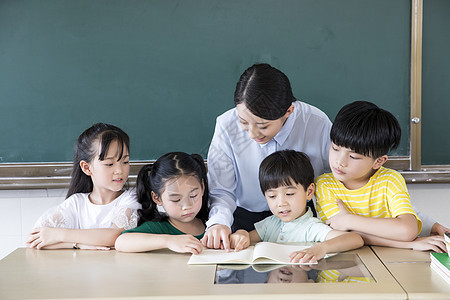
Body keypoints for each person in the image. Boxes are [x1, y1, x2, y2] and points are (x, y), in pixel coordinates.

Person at [202, 63, 332, 250]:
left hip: (302, 220)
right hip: (245, 222)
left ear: (288, 111)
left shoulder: (316, 123)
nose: (252, 134)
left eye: (263, 126)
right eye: (244, 122)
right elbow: (222, 189)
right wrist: (218, 222)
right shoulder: (226, 125)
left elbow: (331, 176)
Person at [315, 101, 448, 252]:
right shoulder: (325, 185)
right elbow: (346, 235)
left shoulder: (390, 180)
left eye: (353, 157)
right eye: (335, 148)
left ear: (378, 161)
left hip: (392, 259)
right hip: (348, 263)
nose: (339, 162)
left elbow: (406, 230)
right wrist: (408, 244)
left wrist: (349, 220)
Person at [231, 150, 364, 264]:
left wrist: (320, 248)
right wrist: (241, 234)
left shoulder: (311, 227)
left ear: (309, 192)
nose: (281, 203)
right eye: (272, 196)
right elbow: (247, 237)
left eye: (289, 194)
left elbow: (355, 239)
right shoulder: (271, 223)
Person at [26, 123, 140, 250]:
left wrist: (58, 235)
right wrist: (78, 245)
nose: (119, 170)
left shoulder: (131, 198)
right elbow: (34, 240)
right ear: (87, 168)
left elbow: (114, 236)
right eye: (109, 164)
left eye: (125, 162)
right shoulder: (76, 203)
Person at [115, 152, 247, 254]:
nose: (187, 206)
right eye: (176, 200)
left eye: (193, 195)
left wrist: (242, 234)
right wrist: (169, 241)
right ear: (157, 198)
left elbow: (237, 235)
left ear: (202, 187)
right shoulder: (159, 228)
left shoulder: (214, 222)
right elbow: (121, 242)